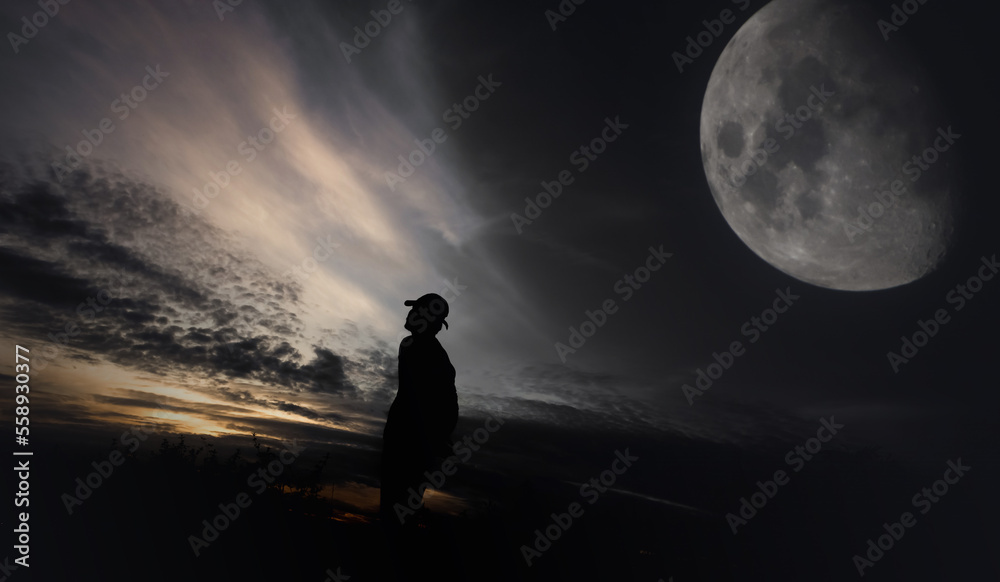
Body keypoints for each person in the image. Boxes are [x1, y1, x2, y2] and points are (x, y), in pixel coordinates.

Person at [379, 293, 459, 531]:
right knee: (402, 511)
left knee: (396, 515)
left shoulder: (415, 346)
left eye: (416, 311)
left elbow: (423, 399)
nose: (409, 314)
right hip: (417, 443)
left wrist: (431, 437)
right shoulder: (431, 351)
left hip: (407, 442)